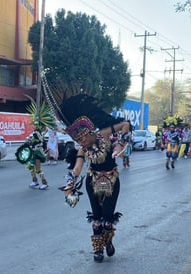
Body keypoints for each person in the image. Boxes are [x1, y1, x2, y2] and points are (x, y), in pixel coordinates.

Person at [56, 94, 131, 263]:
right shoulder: (82, 149)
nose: (81, 142)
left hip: (111, 181)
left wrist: (121, 143)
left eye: (82, 137)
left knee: (107, 220)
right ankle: (98, 250)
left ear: (89, 131)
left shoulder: (103, 134)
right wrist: (69, 184)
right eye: (78, 140)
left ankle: (108, 241)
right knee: (97, 219)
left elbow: (125, 124)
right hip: (93, 182)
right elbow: (77, 168)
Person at [15, 100, 56, 190]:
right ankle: (34, 181)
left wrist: (33, 141)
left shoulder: (38, 133)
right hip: (33, 151)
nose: (34, 125)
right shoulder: (35, 133)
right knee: (30, 167)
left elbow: (40, 141)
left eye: (36, 124)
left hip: (38, 152)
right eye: (34, 124)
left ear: (39, 126)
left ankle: (44, 182)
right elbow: (31, 140)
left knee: (37, 169)